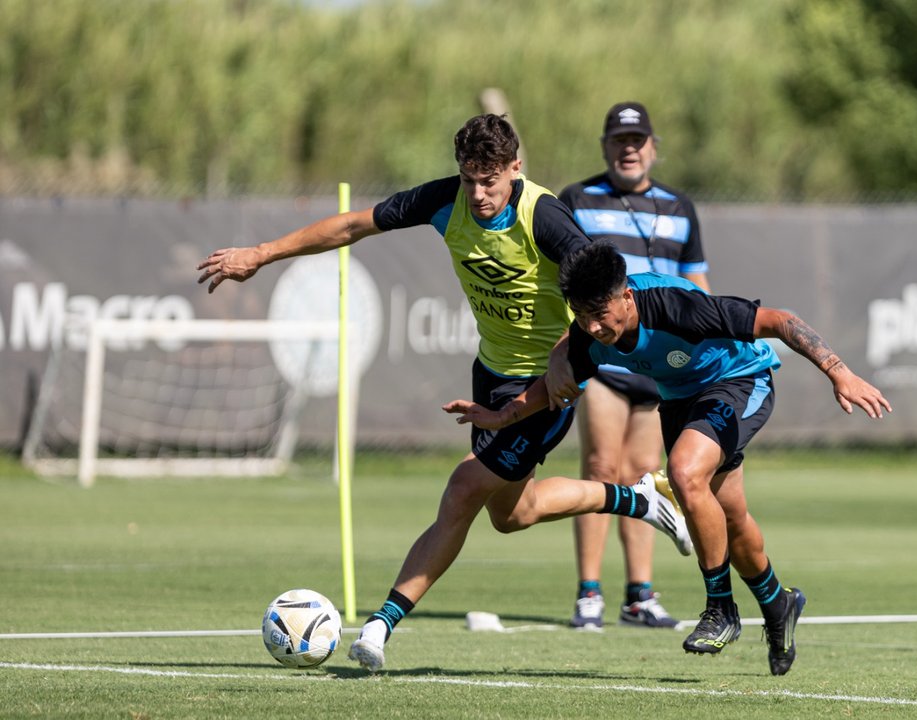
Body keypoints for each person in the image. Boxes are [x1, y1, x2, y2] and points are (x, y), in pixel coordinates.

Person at [196, 115, 692, 672]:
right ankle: (639, 499)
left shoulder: (545, 216)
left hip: (543, 387)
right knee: (512, 514)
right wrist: (262, 253)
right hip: (491, 373)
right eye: (468, 180)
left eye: (490, 182)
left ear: (515, 170)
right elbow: (352, 226)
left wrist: (563, 359)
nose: (478, 195)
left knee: (462, 490)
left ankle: (380, 627)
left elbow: (598, 292)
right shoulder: (444, 200)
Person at [445, 242, 891, 675]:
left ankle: (721, 609)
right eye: (582, 317)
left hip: (740, 380)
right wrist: (503, 414)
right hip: (681, 400)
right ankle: (778, 601)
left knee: (683, 472)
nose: (594, 327)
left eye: (600, 315)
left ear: (626, 296)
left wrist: (839, 371)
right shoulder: (587, 335)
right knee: (729, 519)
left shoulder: (676, 307)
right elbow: (552, 387)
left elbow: (780, 320)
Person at [557, 101, 710, 630]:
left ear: (652, 146)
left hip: (660, 361)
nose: (629, 149)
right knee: (601, 466)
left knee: (645, 477)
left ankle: (639, 595)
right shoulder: (576, 199)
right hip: (603, 357)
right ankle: (589, 593)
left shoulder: (680, 206)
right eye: (619, 141)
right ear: (605, 146)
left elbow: (698, 287)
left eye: (637, 140)